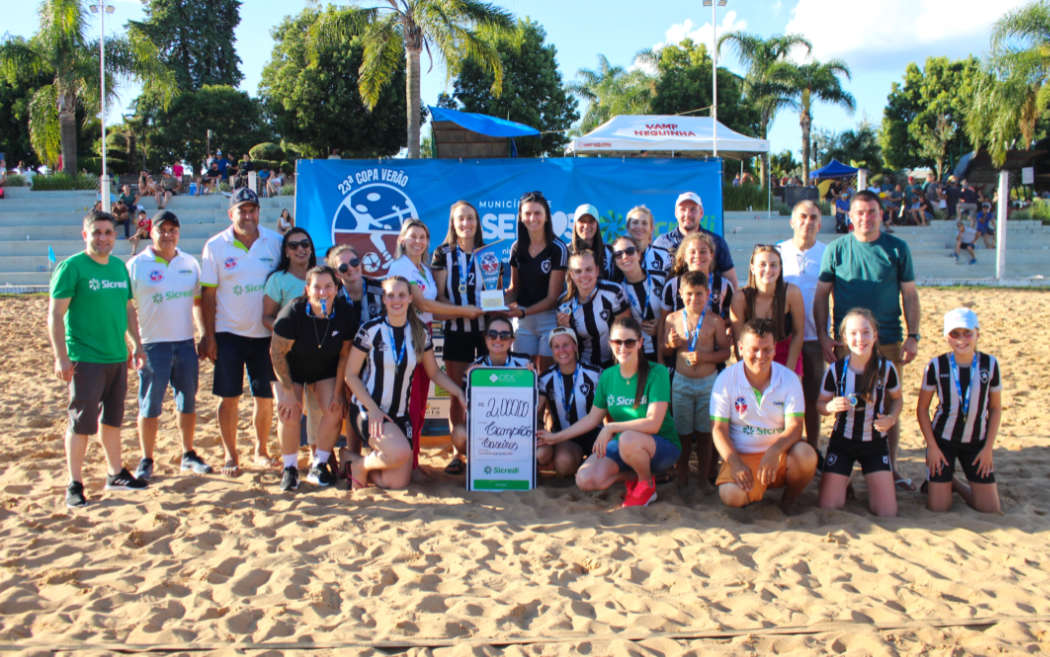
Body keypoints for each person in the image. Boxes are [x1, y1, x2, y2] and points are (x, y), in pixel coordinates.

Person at [814, 190, 920, 491]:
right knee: (845, 405)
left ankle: (891, 466)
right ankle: (843, 471)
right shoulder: (837, 249)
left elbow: (910, 294)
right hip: (847, 343)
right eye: (859, 212)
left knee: (887, 408)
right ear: (850, 216)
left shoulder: (897, 249)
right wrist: (823, 335)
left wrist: (913, 336)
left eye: (871, 211)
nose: (865, 217)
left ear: (881, 214)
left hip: (888, 340)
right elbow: (821, 295)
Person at [48, 211, 147, 507]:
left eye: (107, 233)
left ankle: (115, 473)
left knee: (113, 420)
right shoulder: (72, 268)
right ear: (85, 235)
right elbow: (55, 315)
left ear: (115, 237)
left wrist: (137, 344)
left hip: (116, 356)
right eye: (97, 232)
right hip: (85, 358)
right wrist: (61, 358)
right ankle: (74, 483)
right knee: (81, 423)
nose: (102, 238)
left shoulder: (118, 267)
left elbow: (127, 309)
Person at [537, 316, 681, 508]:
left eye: (629, 342)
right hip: (625, 445)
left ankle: (646, 486)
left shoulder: (657, 373)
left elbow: (653, 423)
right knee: (585, 479)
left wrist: (611, 427)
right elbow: (591, 419)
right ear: (610, 344)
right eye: (617, 342)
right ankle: (640, 477)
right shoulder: (608, 376)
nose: (623, 347)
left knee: (628, 438)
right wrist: (556, 437)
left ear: (640, 343)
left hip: (660, 446)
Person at [344, 276, 466, 490]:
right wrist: (372, 409)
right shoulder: (370, 329)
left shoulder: (420, 332)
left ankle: (352, 459)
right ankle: (359, 467)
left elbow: (435, 373)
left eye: (401, 295)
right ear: (383, 299)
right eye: (390, 295)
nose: (396, 300)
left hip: (400, 415)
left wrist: (458, 392)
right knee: (399, 452)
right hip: (369, 410)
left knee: (397, 482)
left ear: (411, 298)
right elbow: (350, 375)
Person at [388, 218, 482, 474]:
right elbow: (424, 305)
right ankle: (406, 463)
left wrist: (483, 310)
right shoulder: (401, 268)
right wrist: (465, 311)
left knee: (419, 403)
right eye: (413, 236)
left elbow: (435, 312)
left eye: (423, 237)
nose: (418, 241)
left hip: (424, 335)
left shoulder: (425, 271)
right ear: (402, 240)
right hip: (404, 336)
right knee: (407, 403)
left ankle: (412, 461)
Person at [199, 188, 283, 475]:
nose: (247, 215)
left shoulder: (275, 242)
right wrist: (208, 335)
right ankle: (230, 454)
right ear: (230, 213)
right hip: (228, 332)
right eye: (241, 210)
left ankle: (261, 450)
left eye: (252, 210)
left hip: (265, 333)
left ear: (259, 212)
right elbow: (208, 295)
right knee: (229, 396)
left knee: (265, 396)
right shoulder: (215, 246)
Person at [127, 210, 211, 480]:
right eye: (162, 230)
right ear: (151, 232)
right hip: (153, 345)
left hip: (184, 343)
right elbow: (126, 307)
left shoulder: (189, 263)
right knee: (150, 405)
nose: (167, 235)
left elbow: (198, 303)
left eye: (173, 230)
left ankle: (188, 453)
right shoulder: (137, 264)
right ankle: (147, 458)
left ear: (179, 233)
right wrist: (134, 343)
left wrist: (203, 334)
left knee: (187, 402)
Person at [710, 319, 817, 511]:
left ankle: (789, 500)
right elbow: (718, 429)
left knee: (807, 455)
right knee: (730, 495)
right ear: (740, 348)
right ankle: (754, 493)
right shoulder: (725, 379)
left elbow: (795, 426)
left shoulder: (789, 379)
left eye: (767, 349)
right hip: (743, 455)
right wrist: (734, 462)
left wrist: (775, 450)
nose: (761, 356)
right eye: (754, 349)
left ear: (775, 348)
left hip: (779, 453)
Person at [270, 266, 354, 492]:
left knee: (335, 409)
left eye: (328, 286)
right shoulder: (293, 312)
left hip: (324, 369)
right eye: (317, 287)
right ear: (308, 290)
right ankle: (290, 467)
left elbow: (345, 355)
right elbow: (276, 354)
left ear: (336, 289)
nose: (323, 292)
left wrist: (338, 393)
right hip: (291, 369)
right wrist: (288, 393)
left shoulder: (345, 312)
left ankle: (319, 464)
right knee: (290, 411)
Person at [816, 309, 902, 516]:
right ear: (845, 338)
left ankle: (856, 476)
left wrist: (891, 418)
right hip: (842, 441)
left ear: (875, 335)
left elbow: (898, 399)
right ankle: (844, 478)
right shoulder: (836, 370)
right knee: (829, 507)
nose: (860, 339)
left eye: (865, 332)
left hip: (875, 443)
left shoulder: (887, 368)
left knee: (886, 512)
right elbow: (820, 404)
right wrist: (829, 407)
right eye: (853, 333)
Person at [430, 201, 495, 475]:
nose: (466, 224)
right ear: (453, 224)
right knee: (456, 392)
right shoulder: (443, 253)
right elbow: (438, 297)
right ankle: (458, 451)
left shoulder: (489, 252)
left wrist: (495, 307)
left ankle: (488, 446)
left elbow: (498, 290)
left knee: (487, 392)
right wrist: (462, 311)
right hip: (456, 332)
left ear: (477, 222)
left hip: (487, 333)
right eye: (461, 219)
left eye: (470, 218)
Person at [917, 308, 1002, 513]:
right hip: (943, 441)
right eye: (955, 334)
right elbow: (922, 409)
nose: (961, 339)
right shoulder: (936, 365)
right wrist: (932, 447)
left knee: (990, 509)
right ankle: (942, 481)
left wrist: (988, 448)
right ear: (947, 336)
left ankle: (954, 483)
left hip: (977, 442)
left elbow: (995, 407)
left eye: (967, 333)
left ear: (977, 334)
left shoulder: (989, 364)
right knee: (939, 508)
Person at [664, 270, 729, 491]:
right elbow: (665, 351)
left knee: (705, 434)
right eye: (689, 294)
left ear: (708, 294)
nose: (694, 299)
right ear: (681, 293)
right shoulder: (672, 319)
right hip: (681, 383)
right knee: (682, 432)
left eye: (699, 294)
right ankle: (682, 477)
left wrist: (704, 357)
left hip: (708, 383)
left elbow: (725, 353)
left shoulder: (714, 321)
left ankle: (703, 477)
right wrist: (671, 344)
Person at [777, 200, 827, 450]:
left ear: (820, 222)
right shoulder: (778, 252)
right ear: (792, 221)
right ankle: (784, 445)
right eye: (803, 216)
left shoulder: (828, 253)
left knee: (812, 396)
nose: (807, 222)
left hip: (815, 339)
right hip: (784, 341)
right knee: (784, 397)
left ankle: (814, 446)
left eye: (813, 217)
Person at [448, 317, 531, 465]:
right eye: (492, 334)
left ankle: (519, 463)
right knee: (459, 435)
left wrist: (531, 377)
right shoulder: (474, 368)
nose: (498, 339)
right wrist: (470, 382)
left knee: (542, 454)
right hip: (487, 430)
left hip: (516, 429)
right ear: (486, 339)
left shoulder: (525, 364)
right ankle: (483, 462)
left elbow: (535, 402)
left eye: (504, 335)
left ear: (512, 340)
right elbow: (468, 406)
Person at [505, 190, 569, 372]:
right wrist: (497, 302)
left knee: (546, 376)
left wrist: (523, 312)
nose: (532, 218)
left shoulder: (558, 248)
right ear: (520, 217)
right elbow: (514, 289)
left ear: (547, 217)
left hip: (548, 320)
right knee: (523, 376)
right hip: (523, 323)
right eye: (527, 213)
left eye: (537, 213)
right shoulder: (516, 248)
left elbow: (552, 298)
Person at [536, 327, 602, 478]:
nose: (562, 350)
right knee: (564, 465)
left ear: (575, 346)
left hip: (595, 435)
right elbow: (535, 409)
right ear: (552, 350)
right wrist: (527, 375)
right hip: (566, 437)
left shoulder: (595, 374)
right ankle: (579, 464)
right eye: (556, 346)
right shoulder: (546, 379)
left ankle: (590, 465)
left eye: (566, 344)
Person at [656, 233, 734, 360]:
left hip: (713, 361)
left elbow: (733, 320)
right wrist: (661, 357)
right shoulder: (673, 285)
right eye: (692, 252)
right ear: (685, 256)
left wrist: (722, 328)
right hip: (679, 362)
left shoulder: (724, 286)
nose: (698, 256)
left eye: (703, 251)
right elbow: (663, 322)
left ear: (712, 255)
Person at [730, 245, 805, 375]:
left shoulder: (792, 293)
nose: (768, 269)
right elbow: (738, 340)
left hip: (786, 354)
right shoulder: (740, 298)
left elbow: (798, 334)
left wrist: (789, 371)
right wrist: (748, 370)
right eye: (762, 264)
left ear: (780, 268)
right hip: (753, 354)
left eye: (773, 265)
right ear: (752, 268)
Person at [556, 250, 630, 369]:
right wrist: (565, 329)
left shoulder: (613, 292)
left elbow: (626, 332)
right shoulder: (564, 304)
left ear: (597, 270)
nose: (584, 275)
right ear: (571, 275)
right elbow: (565, 348)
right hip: (584, 367)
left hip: (616, 364)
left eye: (588, 269)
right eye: (578, 271)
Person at [652, 192, 737, 288]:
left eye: (693, 209)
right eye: (683, 210)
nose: (687, 214)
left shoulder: (717, 242)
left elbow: (731, 283)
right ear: (676, 213)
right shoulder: (662, 243)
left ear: (701, 213)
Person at [610, 236, 665, 363]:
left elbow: (676, 312)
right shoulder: (617, 291)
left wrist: (662, 325)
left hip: (666, 351)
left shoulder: (660, 279)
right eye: (618, 254)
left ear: (639, 254)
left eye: (629, 251)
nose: (625, 257)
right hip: (637, 357)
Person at [262, 228, 316, 330]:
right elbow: (267, 318)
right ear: (286, 251)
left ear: (311, 248)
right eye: (293, 246)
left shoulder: (323, 276)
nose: (300, 249)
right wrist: (287, 332)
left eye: (305, 244)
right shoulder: (277, 280)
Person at [621, 205, 671, 279]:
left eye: (644, 223)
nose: (639, 227)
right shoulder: (618, 255)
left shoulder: (663, 256)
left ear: (651, 228)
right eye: (635, 222)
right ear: (628, 227)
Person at [569, 203, 614, 280]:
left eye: (591, 221)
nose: (586, 226)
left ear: (597, 224)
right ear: (575, 225)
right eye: (582, 221)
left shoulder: (609, 252)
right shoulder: (565, 251)